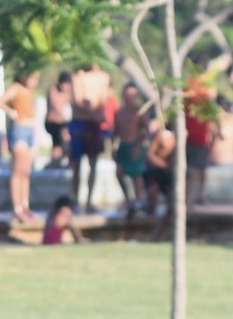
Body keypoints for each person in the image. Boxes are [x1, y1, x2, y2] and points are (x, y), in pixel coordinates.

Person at [0, 70, 41, 222]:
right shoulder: (16, 88)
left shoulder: (28, 92)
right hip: (19, 130)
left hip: (29, 131)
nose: (34, 82)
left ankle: (25, 206)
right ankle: (17, 208)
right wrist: (11, 112)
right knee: (18, 171)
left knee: (26, 171)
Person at [69, 64, 110, 211]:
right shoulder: (77, 76)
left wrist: (92, 112)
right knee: (76, 164)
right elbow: (78, 101)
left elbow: (102, 102)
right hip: (80, 123)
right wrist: (92, 112)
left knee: (93, 163)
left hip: (93, 124)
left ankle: (89, 200)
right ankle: (75, 199)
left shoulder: (103, 77)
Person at [184, 78, 218, 208]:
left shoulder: (204, 92)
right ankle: (189, 203)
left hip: (200, 141)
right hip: (190, 140)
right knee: (192, 172)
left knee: (199, 170)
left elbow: (211, 120)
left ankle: (198, 197)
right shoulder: (189, 90)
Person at [112, 84, 146, 212]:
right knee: (119, 173)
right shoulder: (119, 113)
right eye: (128, 95)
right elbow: (116, 132)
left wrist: (138, 146)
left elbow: (145, 131)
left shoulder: (140, 112)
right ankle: (128, 199)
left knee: (137, 175)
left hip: (134, 146)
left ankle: (138, 201)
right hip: (123, 146)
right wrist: (114, 147)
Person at [144, 120, 176, 239]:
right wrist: (163, 164)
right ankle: (136, 206)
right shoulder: (160, 135)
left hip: (167, 174)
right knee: (151, 206)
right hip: (155, 172)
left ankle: (157, 234)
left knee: (172, 206)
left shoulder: (178, 136)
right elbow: (149, 154)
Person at [46, 72, 73, 169]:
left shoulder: (69, 92)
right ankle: (56, 161)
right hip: (53, 123)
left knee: (61, 143)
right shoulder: (53, 90)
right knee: (59, 142)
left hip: (64, 123)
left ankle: (61, 161)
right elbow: (55, 105)